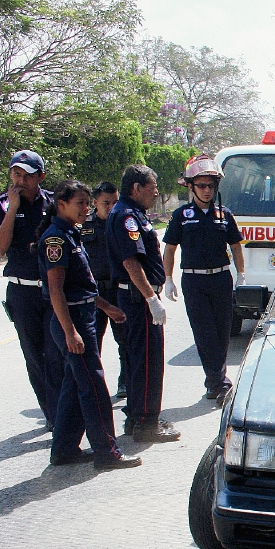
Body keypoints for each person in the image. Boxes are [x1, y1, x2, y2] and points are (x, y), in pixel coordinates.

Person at [38, 179, 140, 469]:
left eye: (86, 202)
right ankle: (108, 453)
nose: (85, 208)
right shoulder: (56, 239)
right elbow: (56, 290)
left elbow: (81, 285)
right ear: (61, 205)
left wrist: (106, 307)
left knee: (75, 384)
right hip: (72, 321)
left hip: (83, 315)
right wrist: (70, 332)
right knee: (93, 387)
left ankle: (64, 449)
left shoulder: (71, 234)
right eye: (79, 203)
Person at [0, 149, 62, 429]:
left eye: (26, 175)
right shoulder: (0, 206)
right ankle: (53, 416)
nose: (20, 179)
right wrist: (14, 208)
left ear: (40, 176)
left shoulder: (55, 202)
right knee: (35, 357)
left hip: (53, 290)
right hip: (22, 292)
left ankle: (61, 414)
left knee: (57, 354)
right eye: (15, 173)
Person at [161, 154, 245, 403]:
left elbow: (236, 246)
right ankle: (218, 382)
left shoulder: (225, 215)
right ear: (190, 186)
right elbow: (169, 248)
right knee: (205, 333)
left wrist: (241, 275)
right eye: (201, 185)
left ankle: (216, 381)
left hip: (220, 279)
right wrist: (168, 278)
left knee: (222, 333)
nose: (207, 190)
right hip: (194, 281)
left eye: (211, 185)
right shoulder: (181, 215)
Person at [107, 164, 181, 442]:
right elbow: (130, 261)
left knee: (138, 359)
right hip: (138, 298)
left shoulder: (133, 213)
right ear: (136, 188)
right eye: (152, 187)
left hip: (138, 296)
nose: (157, 192)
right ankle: (146, 423)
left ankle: (137, 416)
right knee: (148, 361)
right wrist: (151, 298)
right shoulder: (127, 216)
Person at [82, 182, 129, 399]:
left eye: (115, 202)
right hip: (93, 295)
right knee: (92, 343)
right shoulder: (84, 226)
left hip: (118, 291)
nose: (111, 207)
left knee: (125, 340)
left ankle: (125, 382)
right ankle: (94, 384)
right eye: (105, 203)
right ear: (95, 203)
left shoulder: (122, 224)